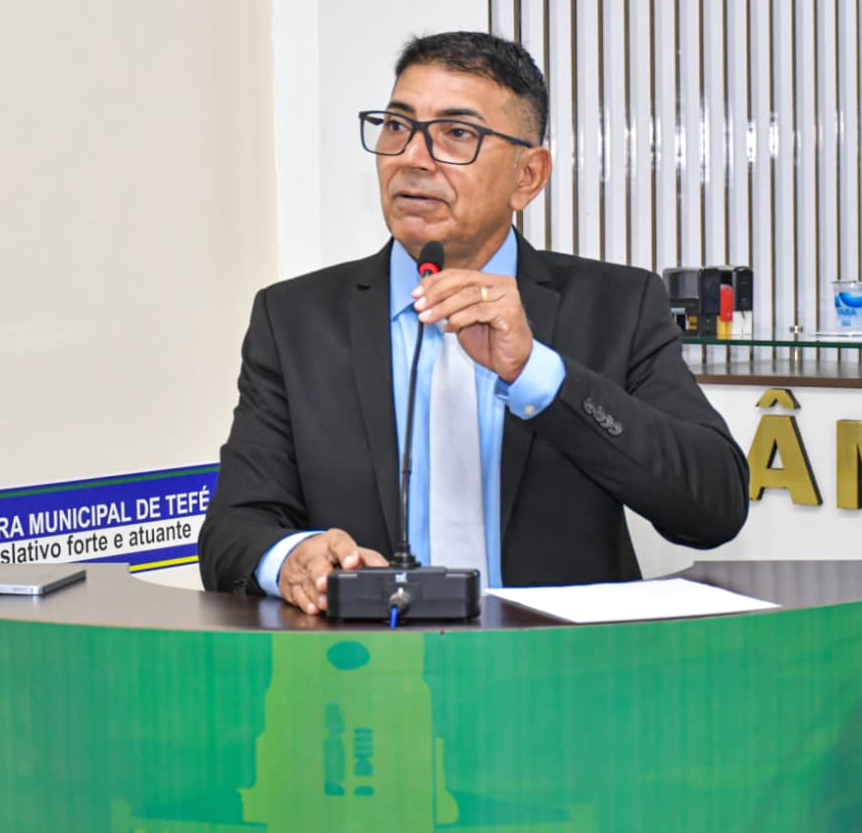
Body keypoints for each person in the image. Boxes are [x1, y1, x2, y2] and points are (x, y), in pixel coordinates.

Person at [199, 31, 749, 614]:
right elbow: (234, 530)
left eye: (457, 134)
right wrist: (291, 557)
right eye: (397, 126)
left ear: (527, 177)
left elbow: (712, 506)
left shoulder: (616, 305)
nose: (413, 157)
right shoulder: (296, 320)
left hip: (558, 676)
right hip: (368, 679)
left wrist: (537, 373)